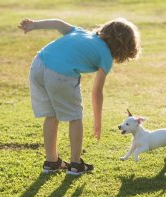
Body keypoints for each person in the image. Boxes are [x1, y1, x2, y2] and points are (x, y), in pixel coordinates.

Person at [19, 18, 140, 175]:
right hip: (60, 74)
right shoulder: (106, 57)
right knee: (75, 117)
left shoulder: (81, 32)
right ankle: (76, 164)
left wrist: (34, 25)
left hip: (38, 64)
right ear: (124, 47)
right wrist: (97, 123)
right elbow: (97, 92)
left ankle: (51, 162)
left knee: (51, 115)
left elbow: (58, 24)